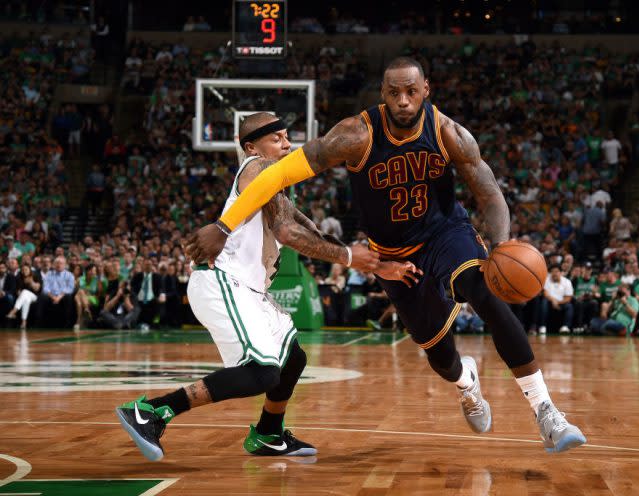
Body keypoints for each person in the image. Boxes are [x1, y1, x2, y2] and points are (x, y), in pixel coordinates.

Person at [185, 58, 586, 453]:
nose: (404, 101)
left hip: (446, 233)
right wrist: (224, 225)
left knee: (483, 292)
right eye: (394, 93)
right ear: (383, 94)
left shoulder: (448, 133)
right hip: (392, 255)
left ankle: (546, 411)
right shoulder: (354, 135)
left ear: (426, 90)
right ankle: (467, 383)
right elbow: (276, 175)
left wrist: (499, 246)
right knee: (441, 357)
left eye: (412, 91)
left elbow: (490, 193)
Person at [116, 114, 417, 461]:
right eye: (277, 139)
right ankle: (152, 412)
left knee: (293, 359)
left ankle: (269, 433)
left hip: (250, 291)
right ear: (251, 147)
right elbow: (290, 235)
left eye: (288, 137)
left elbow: (314, 234)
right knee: (261, 373)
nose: (287, 145)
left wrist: (377, 264)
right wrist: (351, 257)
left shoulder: (276, 188)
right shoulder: (257, 168)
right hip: (224, 281)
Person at [538, 265, 575, 335]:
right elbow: (546, 294)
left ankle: (565, 327)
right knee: (544, 302)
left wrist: (557, 302)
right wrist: (553, 301)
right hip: (550, 302)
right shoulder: (546, 280)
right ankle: (542, 326)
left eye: (556, 271)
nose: (554, 273)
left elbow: (568, 298)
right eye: (552, 271)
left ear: (561, 273)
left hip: (562, 303)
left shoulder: (567, 282)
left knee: (569, 306)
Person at [6, 264, 41, 330]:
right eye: (22, 270)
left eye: (26, 269)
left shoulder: (35, 276)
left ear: (30, 270)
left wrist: (31, 282)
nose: (24, 271)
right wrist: (19, 293)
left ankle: (13, 311)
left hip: (35, 297)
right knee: (26, 300)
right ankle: (24, 322)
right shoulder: (19, 278)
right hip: (24, 298)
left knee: (25, 292)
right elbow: (17, 291)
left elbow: (37, 289)